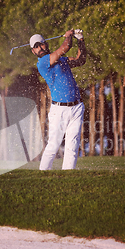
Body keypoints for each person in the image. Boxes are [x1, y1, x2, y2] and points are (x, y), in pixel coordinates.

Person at [29, 29, 87, 170]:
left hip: (77, 107)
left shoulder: (61, 60)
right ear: (33, 52)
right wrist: (68, 36)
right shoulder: (42, 63)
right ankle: (43, 173)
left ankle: (68, 177)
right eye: (36, 47)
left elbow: (81, 60)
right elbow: (66, 47)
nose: (39, 48)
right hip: (59, 110)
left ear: (46, 44)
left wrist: (80, 40)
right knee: (53, 145)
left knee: (72, 147)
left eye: (41, 44)